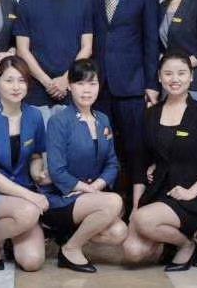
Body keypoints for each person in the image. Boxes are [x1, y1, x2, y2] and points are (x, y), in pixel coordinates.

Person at [123, 52, 197, 271]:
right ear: (159, 77)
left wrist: (191, 192)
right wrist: (136, 206)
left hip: (189, 195)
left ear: (191, 77)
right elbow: (140, 163)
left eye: (181, 73)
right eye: (168, 73)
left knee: (143, 221)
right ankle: (168, 240)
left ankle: (187, 245)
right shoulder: (150, 114)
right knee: (132, 252)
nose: (175, 79)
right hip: (157, 191)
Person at [79, 0, 160, 200]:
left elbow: (151, 41)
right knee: (101, 147)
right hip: (96, 85)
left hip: (133, 85)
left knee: (135, 148)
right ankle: (105, 204)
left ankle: (135, 207)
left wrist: (151, 84)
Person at [42, 59, 127, 273]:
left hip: (90, 196)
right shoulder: (59, 121)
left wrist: (94, 187)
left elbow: (112, 163)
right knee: (114, 201)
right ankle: (70, 249)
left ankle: (68, 236)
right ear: (70, 86)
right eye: (80, 83)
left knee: (119, 232)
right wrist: (84, 189)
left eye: (92, 83)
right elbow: (57, 171)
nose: (86, 90)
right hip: (61, 198)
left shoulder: (103, 120)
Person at [0, 56, 48, 272]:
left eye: (21, 80)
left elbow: (35, 155)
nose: (16, 87)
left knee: (32, 261)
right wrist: (32, 196)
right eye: (9, 80)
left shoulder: (34, 116)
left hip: (22, 195)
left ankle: (10, 235)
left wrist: (37, 171)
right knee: (29, 212)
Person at [15, 0, 93, 125]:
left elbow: (87, 47)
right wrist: (48, 83)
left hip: (73, 89)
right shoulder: (26, 4)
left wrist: (66, 79)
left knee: (72, 139)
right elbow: (22, 50)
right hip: (36, 91)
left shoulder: (83, 3)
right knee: (38, 141)